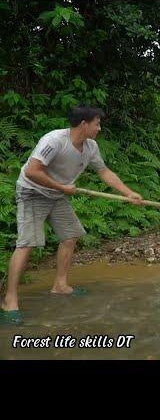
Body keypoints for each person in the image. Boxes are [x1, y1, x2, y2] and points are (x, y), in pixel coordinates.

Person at [1, 106, 143, 325]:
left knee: (70, 236)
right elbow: (32, 171)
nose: (99, 127)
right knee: (26, 244)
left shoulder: (91, 147)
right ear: (84, 124)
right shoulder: (54, 140)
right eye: (97, 123)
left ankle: (60, 285)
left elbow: (104, 172)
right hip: (32, 192)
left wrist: (128, 193)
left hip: (57, 195)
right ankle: (9, 300)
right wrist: (61, 187)